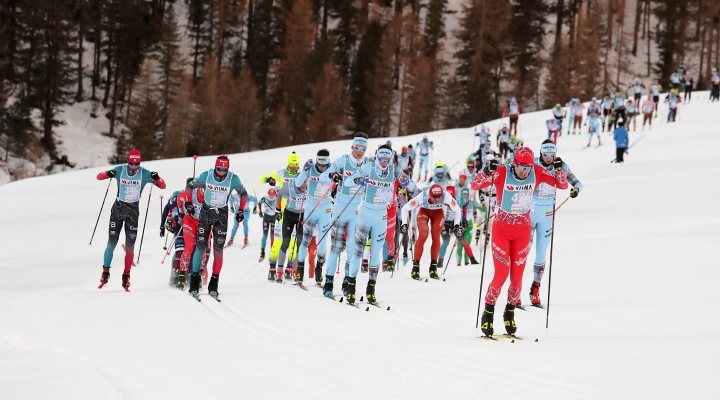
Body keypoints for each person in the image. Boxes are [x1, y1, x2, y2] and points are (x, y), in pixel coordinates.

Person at [471, 147, 568, 338]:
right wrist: (486, 171)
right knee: (501, 275)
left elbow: (562, 185)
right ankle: (488, 312)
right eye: (521, 166)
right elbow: (476, 185)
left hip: (523, 230)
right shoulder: (502, 172)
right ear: (514, 163)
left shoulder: (537, 172)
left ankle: (509, 312)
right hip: (501, 229)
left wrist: (559, 170)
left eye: (528, 167)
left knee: (517, 278)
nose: (524, 171)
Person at [96, 149, 166, 291]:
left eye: (136, 164)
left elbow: (163, 186)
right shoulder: (120, 170)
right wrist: (107, 174)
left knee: (130, 246)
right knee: (111, 243)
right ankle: (105, 272)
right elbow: (99, 176)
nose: (133, 167)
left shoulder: (145, 173)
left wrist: (157, 177)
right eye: (131, 163)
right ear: (127, 161)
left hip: (133, 213)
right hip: (118, 209)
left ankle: (126, 275)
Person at [528, 141, 582, 306]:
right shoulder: (533, 163)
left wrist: (576, 190)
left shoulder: (561, 166)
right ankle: (515, 291)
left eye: (552, 155)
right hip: (530, 212)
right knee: (523, 251)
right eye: (546, 155)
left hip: (547, 214)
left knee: (541, 254)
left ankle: (536, 288)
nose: (549, 158)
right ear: (541, 153)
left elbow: (577, 183)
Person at [341, 145, 396, 305]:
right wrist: (359, 180)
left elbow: (411, 186)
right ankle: (351, 288)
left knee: (376, 253)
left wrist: (407, 184)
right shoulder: (368, 167)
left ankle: (371, 290)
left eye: (387, 159)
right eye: (381, 158)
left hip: (381, 216)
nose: (384, 162)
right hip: (365, 213)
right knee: (358, 253)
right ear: (377, 157)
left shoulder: (393, 170)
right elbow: (348, 181)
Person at [186, 155, 245, 300]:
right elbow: (189, 187)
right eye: (219, 169)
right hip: (206, 212)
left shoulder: (233, 179)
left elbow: (243, 195)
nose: (221, 172)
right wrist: (188, 203)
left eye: (224, 170)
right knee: (200, 247)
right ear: (215, 167)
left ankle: (214, 284)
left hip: (222, 215)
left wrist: (241, 210)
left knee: (218, 250)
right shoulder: (206, 175)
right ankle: (194, 283)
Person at [323, 133, 369, 295]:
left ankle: (347, 282)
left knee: (353, 249)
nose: (360, 151)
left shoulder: (368, 164)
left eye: (363, 148)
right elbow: (323, 176)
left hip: (358, 210)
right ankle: (328, 282)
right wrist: (333, 175)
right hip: (341, 208)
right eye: (357, 147)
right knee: (336, 248)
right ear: (352, 147)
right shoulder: (343, 160)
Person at [400, 183, 462, 280]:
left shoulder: (447, 196)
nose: (437, 199)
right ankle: (415, 266)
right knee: (423, 234)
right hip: (423, 211)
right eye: (434, 197)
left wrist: (457, 225)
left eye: (439, 196)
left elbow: (457, 209)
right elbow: (405, 208)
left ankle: (433, 266)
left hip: (438, 213)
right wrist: (404, 223)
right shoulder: (422, 196)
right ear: (429, 195)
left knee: (436, 234)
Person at [294, 149, 334, 285]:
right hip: (311, 207)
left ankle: (319, 270)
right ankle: (300, 270)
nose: (322, 168)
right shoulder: (310, 169)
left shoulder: (332, 169)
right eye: (320, 165)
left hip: (326, 208)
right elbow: (298, 184)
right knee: (305, 240)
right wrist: (304, 170)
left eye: (325, 165)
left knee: (323, 241)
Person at [262, 152, 301, 278]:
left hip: (295, 210)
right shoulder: (281, 173)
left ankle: (289, 267)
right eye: (291, 164)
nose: (293, 167)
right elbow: (262, 179)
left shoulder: (301, 176)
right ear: (288, 163)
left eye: (295, 164)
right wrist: (269, 179)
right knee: (278, 240)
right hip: (281, 210)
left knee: (292, 241)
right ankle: (273, 267)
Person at [273, 177, 308, 282]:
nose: (304, 185)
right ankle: (279, 271)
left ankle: (296, 270)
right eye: (302, 182)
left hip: (302, 216)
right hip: (289, 215)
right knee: (286, 242)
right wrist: (278, 210)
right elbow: (279, 194)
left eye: (305, 182)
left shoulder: (309, 188)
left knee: (300, 243)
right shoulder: (290, 186)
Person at [177, 178, 209, 289]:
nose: (204, 195)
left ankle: (198, 276)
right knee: (189, 247)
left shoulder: (211, 198)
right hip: (190, 221)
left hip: (204, 223)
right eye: (202, 191)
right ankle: (182, 275)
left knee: (202, 249)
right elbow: (179, 198)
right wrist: (181, 212)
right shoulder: (190, 194)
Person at [257, 188, 278, 261]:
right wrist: (260, 212)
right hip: (266, 218)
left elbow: (281, 207)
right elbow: (259, 203)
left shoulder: (277, 199)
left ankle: (272, 253)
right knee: (264, 236)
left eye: (272, 195)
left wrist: (279, 214)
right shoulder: (264, 198)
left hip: (273, 218)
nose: (271, 197)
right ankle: (262, 253)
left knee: (272, 236)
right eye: (270, 195)